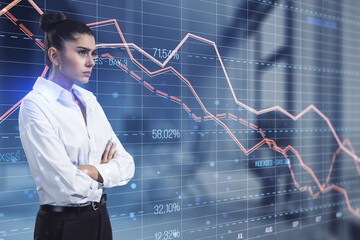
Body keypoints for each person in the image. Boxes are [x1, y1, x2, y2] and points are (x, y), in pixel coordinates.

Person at [18, 12, 135, 240]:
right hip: (63, 226)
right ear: (54, 55)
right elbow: (67, 186)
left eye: (92, 53)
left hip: (101, 218)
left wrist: (93, 171)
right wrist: (106, 174)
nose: (91, 61)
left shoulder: (89, 100)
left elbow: (127, 164)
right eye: (82, 52)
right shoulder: (35, 106)